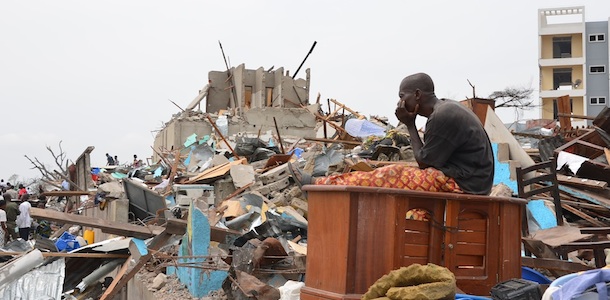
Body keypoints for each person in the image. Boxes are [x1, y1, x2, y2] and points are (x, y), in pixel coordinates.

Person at [289, 72, 494, 195]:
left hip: (464, 185)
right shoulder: (447, 109)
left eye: (402, 96)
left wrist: (410, 124)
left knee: (391, 174)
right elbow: (430, 160)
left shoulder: (443, 115)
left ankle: (320, 186)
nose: (400, 102)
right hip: (470, 180)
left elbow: (424, 162)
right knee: (396, 178)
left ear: (417, 95)